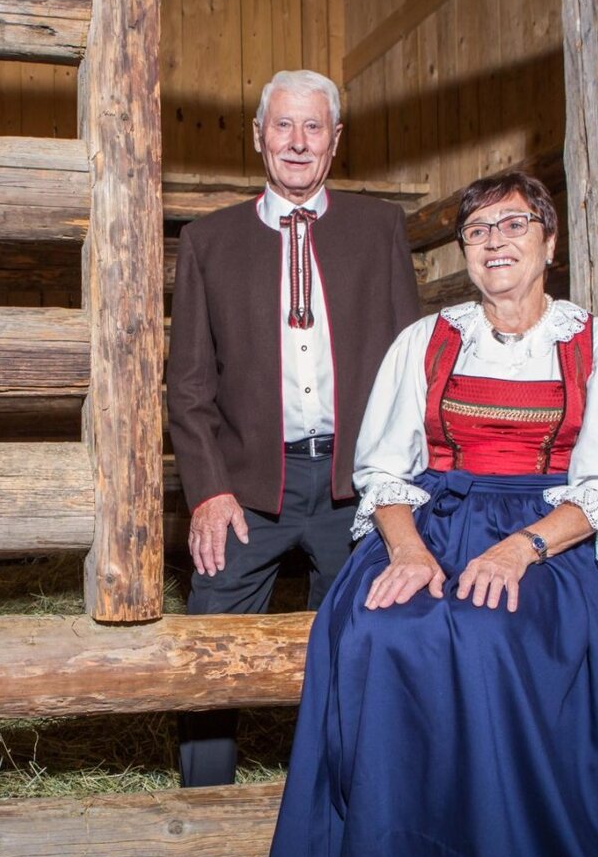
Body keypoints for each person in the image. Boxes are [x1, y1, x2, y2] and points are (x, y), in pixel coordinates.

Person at [269, 171, 598, 857]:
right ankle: (418, 855)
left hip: (550, 534)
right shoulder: (426, 341)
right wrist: (404, 548)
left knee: (489, 639)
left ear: (549, 241)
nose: (495, 242)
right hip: (437, 521)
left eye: (513, 225)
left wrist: (520, 549)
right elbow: (385, 470)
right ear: (464, 250)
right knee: (375, 629)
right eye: (478, 231)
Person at [165, 69, 419, 788]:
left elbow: (409, 365)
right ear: (258, 137)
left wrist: (402, 482)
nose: (298, 142)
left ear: (336, 140)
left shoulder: (379, 228)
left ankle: (348, 810)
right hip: (247, 484)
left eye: (314, 127)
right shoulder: (210, 241)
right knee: (210, 637)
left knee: (370, 641)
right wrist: (210, 490)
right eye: (284, 126)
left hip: (357, 484)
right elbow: (187, 385)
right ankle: (204, 814)